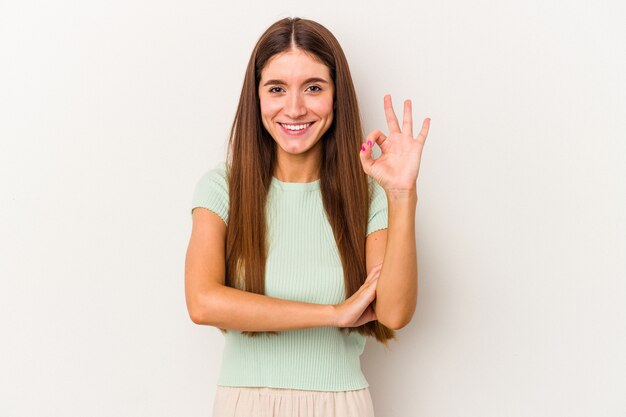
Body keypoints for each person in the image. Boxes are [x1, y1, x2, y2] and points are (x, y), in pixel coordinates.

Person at [185, 17, 430, 417]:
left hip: (340, 405)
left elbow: (394, 313)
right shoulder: (222, 188)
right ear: (257, 97)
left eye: (313, 87)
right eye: (277, 88)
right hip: (244, 404)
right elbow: (202, 301)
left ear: (336, 96)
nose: (294, 108)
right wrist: (331, 315)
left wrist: (402, 195)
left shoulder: (367, 194)